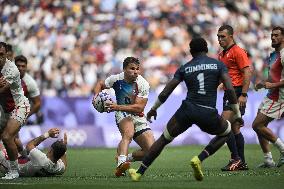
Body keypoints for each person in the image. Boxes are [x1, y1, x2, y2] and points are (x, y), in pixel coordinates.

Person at [128, 37, 242, 182]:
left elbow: (166, 91)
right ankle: (199, 159)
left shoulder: (185, 67)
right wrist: (237, 113)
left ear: (191, 52)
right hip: (207, 111)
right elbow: (230, 90)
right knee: (226, 132)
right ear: (206, 49)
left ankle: (139, 172)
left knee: (164, 139)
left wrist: (153, 109)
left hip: (187, 110)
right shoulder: (218, 65)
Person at [92, 56, 155, 177]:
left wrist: (117, 107)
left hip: (137, 115)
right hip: (122, 113)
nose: (136, 71)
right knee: (128, 133)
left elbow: (139, 108)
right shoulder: (115, 79)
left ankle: (125, 158)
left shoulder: (143, 84)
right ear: (124, 69)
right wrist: (95, 97)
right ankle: (121, 165)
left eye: (137, 69)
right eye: (132, 68)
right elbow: (100, 84)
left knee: (152, 151)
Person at [217, 25, 252, 171]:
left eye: (223, 36)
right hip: (228, 92)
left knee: (223, 125)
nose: (220, 39)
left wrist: (243, 95)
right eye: (218, 36)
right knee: (235, 128)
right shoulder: (222, 54)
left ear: (231, 36)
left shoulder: (238, 51)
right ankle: (241, 162)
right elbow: (224, 75)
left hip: (237, 92)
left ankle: (235, 159)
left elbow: (247, 73)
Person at [252, 26, 284, 168]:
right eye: (272, 35)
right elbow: (273, 77)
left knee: (257, 125)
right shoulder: (273, 55)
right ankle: (268, 160)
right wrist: (263, 83)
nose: (273, 38)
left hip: (279, 96)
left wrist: (272, 85)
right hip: (270, 94)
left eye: (276, 35)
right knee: (259, 126)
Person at [0, 42, 30, 179]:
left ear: (7, 55)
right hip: (5, 110)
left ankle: (14, 171)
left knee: (7, 136)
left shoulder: (11, 70)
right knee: (8, 138)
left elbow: (1, 90)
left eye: (1, 55)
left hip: (19, 106)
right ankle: (23, 155)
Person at [0, 128, 67, 177]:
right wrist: (64, 146)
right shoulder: (59, 168)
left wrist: (48, 134)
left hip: (11, 166)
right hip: (27, 162)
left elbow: (29, 145)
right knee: (17, 142)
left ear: (51, 150)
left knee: (5, 140)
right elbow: (64, 163)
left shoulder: (41, 159)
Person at [14, 55, 41, 158]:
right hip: (4, 109)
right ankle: (23, 157)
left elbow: (38, 103)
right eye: (18, 66)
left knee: (10, 137)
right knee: (11, 138)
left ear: (26, 67)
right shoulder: (7, 75)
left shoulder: (30, 83)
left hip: (17, 113)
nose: (20, 68)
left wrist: (25, 115)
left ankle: (20, 159)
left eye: (23, 66)